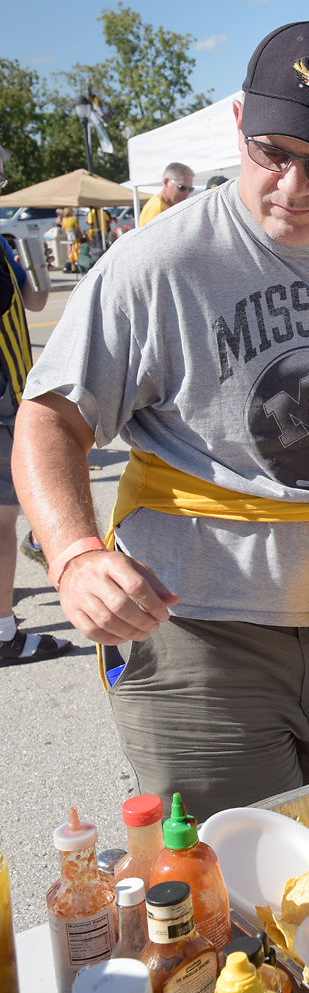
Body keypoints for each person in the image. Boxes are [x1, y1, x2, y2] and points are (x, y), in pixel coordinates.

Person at [12, 19, 309, 819]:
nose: (292, 186)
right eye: (272, 151)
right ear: (238, 123)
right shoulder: (161, 262)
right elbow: (49, 416)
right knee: (235, 900)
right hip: (197, 632)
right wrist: (73, 555)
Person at [0, 147, 73, 663]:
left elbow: (36, 302)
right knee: (2, 523)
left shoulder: (5, 243)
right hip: (4, 399)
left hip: (17, 390)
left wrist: (36, 261)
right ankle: (4, 634)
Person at [138, 162, 195, 227]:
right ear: (166, 182)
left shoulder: (166, 206)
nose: (187, 193)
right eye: (182, 188)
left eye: (190, 189)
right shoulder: (158, 209)